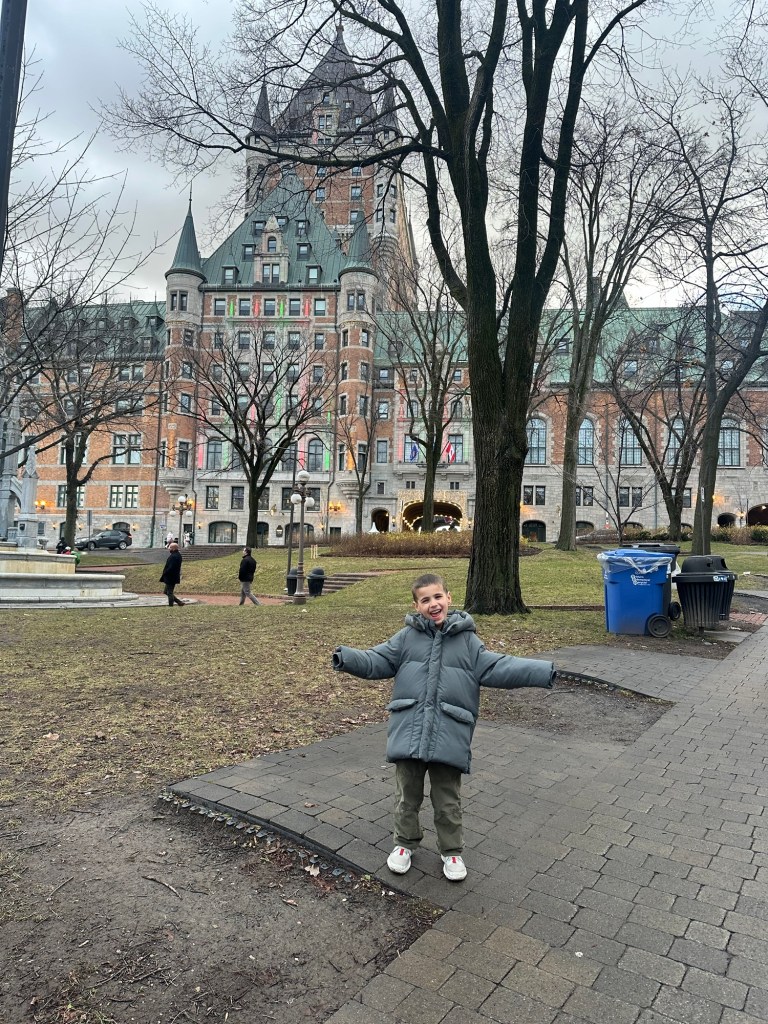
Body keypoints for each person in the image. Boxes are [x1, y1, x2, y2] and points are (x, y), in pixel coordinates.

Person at [332, 573, 555, 882]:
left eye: (437, 597)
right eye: (425, 600)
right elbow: (375, 660)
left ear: (449, 598)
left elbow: (497, 666)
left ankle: (451, 850)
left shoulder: (468, 641)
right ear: (416, 606)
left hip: (449, 734)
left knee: (447, 800)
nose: (433, 604)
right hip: (410, 731)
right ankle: (404, 843)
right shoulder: (406, 638)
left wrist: (541, 671)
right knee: (406, 796)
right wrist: (346, 657)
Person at [160, 542, 184, 606]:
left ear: (173, 548)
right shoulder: (177, 555)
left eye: (170, 547)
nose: (169, 549)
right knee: (166, 591)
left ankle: (171, 605)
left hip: (171, 577)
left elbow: (171, 567)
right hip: (172, 576)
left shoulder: (174, 556)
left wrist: (165, 572)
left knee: (169, 592)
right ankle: (179, 602)